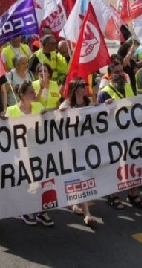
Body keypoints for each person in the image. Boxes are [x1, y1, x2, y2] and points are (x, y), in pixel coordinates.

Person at [5, 82, 55, 227]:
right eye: (31, 92)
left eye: (34, 91)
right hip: (20, 153)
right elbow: (5, 132)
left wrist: (48, 116)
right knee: (25, 182)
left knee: (40, 181)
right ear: (22, 95)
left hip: (38, 152)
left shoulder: (39, 107)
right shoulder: (11, 110)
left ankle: (41, 211)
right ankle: (26, 209)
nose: (35, 94)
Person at [97, 62, 142, 210]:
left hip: (131, 133)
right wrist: (106, 106)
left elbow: (135, 104)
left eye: (121, 72)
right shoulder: (104, 92)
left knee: (133, 164)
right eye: (116, 72)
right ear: (110, 76)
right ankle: (113, 195)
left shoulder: (128, 86)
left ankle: (133, 194)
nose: (120, 75)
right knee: (115, 167)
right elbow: (100, 118)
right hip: (114, 135)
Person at [59, 78, 98, 226]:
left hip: (86, 146)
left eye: (86, 85)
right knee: (75, 176)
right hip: (71, 147)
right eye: (82, 86)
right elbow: (58, 124)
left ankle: (85, 210)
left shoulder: (88, 103)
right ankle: (82, 208)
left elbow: (98, 113)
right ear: (75, 89)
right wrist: (60, 114)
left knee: (84, 175)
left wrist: (107, 106)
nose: (85, 87)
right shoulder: (66, 105)